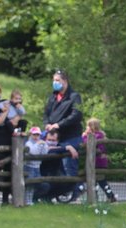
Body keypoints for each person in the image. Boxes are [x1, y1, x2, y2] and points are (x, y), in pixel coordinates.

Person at [43, 69, 84, 199]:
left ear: (65, 82)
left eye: (58, 80)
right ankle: (52, 194)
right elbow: (46, 113)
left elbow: (76, 115)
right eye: (54, 80)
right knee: (55, 166)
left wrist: (59, 124)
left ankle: (76, 189)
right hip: (55, 137)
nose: (55, 83)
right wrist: (48, 124)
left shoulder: (74, 97)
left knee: (69, 166)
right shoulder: (52, 97)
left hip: (71, 136)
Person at [33, 127, 79, 203]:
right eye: (49, 140)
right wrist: (65, 148)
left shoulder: (61, 146)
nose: (51, 142)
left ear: (57, 141)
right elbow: (49, 151)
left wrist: (67, 147)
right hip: (42, 176)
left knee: (72, 182)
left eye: (53, 140)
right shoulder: (41, 146)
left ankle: (48, 197)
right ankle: (35, 198)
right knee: (45, 185)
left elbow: (75, 146)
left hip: (56, 175)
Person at [82, 117, 116, 202]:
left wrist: (84, 136)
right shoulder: (96, 135)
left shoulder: (97, 135)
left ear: (92, 127)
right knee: (95, 181)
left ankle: (111, 196)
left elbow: (89, 143)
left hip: (98, 162)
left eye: (88, 126)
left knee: (101, 180)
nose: (86, 128)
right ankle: (95, 197)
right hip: (94, 162)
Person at [23, 126, 48, 205]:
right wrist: (39, 145)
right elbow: (32, 152)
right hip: (29, 166)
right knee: (30, 184)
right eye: (34, 135)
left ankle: (31, 199)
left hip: (37, 166)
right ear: (30, 135)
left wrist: (44, 146)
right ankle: (27, 201)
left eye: (37, 135)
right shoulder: (28, 143)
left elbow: (44, 154)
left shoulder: (41, 143)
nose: (36, 137)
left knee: (35, 185)